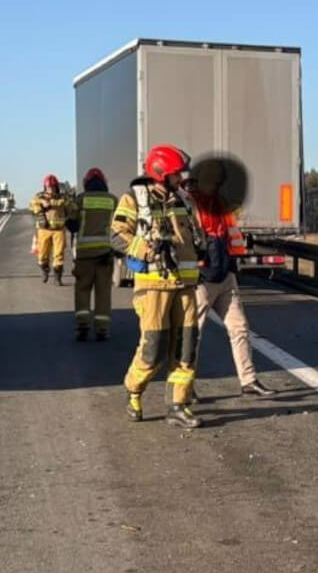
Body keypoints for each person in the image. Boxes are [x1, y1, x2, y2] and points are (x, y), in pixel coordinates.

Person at [112, 145, 204, 429]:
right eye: (176, 175)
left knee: (186, 348)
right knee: (154, 349)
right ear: (161, 173)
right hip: (153, 288)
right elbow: (116, 236)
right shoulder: (133, 200)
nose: (180, 180)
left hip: (185, 286)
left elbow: (197, 236)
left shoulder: (184, 201)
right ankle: (134, 390)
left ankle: (178, 405)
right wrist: (149, 249)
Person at [192, 189, 274, 396]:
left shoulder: (222, 208)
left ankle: (248, 380)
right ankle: (184, 386)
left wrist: (232, 266)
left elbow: (232, 238)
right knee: (193, 334)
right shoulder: (190, 208)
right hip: (201, 279)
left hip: (225, 276)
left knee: (240, 327)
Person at [72, 168, 118, 342]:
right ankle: (102, 329)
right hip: (105, 254)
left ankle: (83, 324)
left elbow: (72, 225)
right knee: (103, 291)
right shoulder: (113, 200)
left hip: (84, 254)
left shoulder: (80, 200)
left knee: (82, 289)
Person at [29, 175, 74, 284]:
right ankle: (45, 269)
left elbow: (70, 207)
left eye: (53, 187)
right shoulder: (39, 197)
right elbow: (32, 207)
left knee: (59, 255)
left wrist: (54, 203)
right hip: (44, 230)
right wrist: (42, 206)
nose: (51, 190)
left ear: (56, 187)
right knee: (42, 255)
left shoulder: (63, 198)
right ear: (45, 187)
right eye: (48, 187)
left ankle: (57, 278)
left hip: (59, 230)